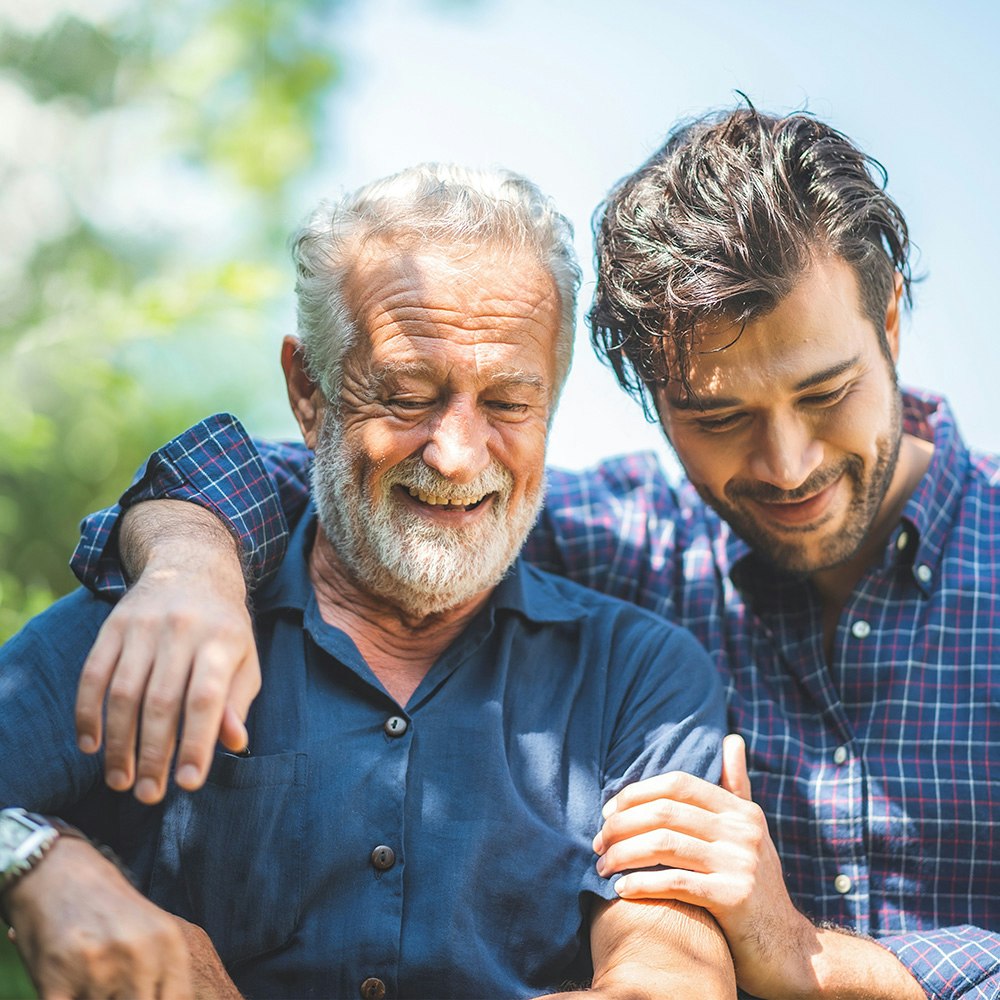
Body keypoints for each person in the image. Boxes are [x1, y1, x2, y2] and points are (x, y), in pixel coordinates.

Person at [69, 106, 1000, 999]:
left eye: (826, 392)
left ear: (888, 330)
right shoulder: (621, 541)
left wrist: (816, 961)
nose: (787, 463)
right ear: (651, 398)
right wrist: (192, 562)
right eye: (718, 416)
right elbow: (342, 475)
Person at [0, 164, 737, 999]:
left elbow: (670, 981)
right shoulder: (171, 612)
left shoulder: (640, 675)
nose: (457, 455)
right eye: (408, 395)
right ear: (309, 390)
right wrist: (40, 862)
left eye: (508, 404)